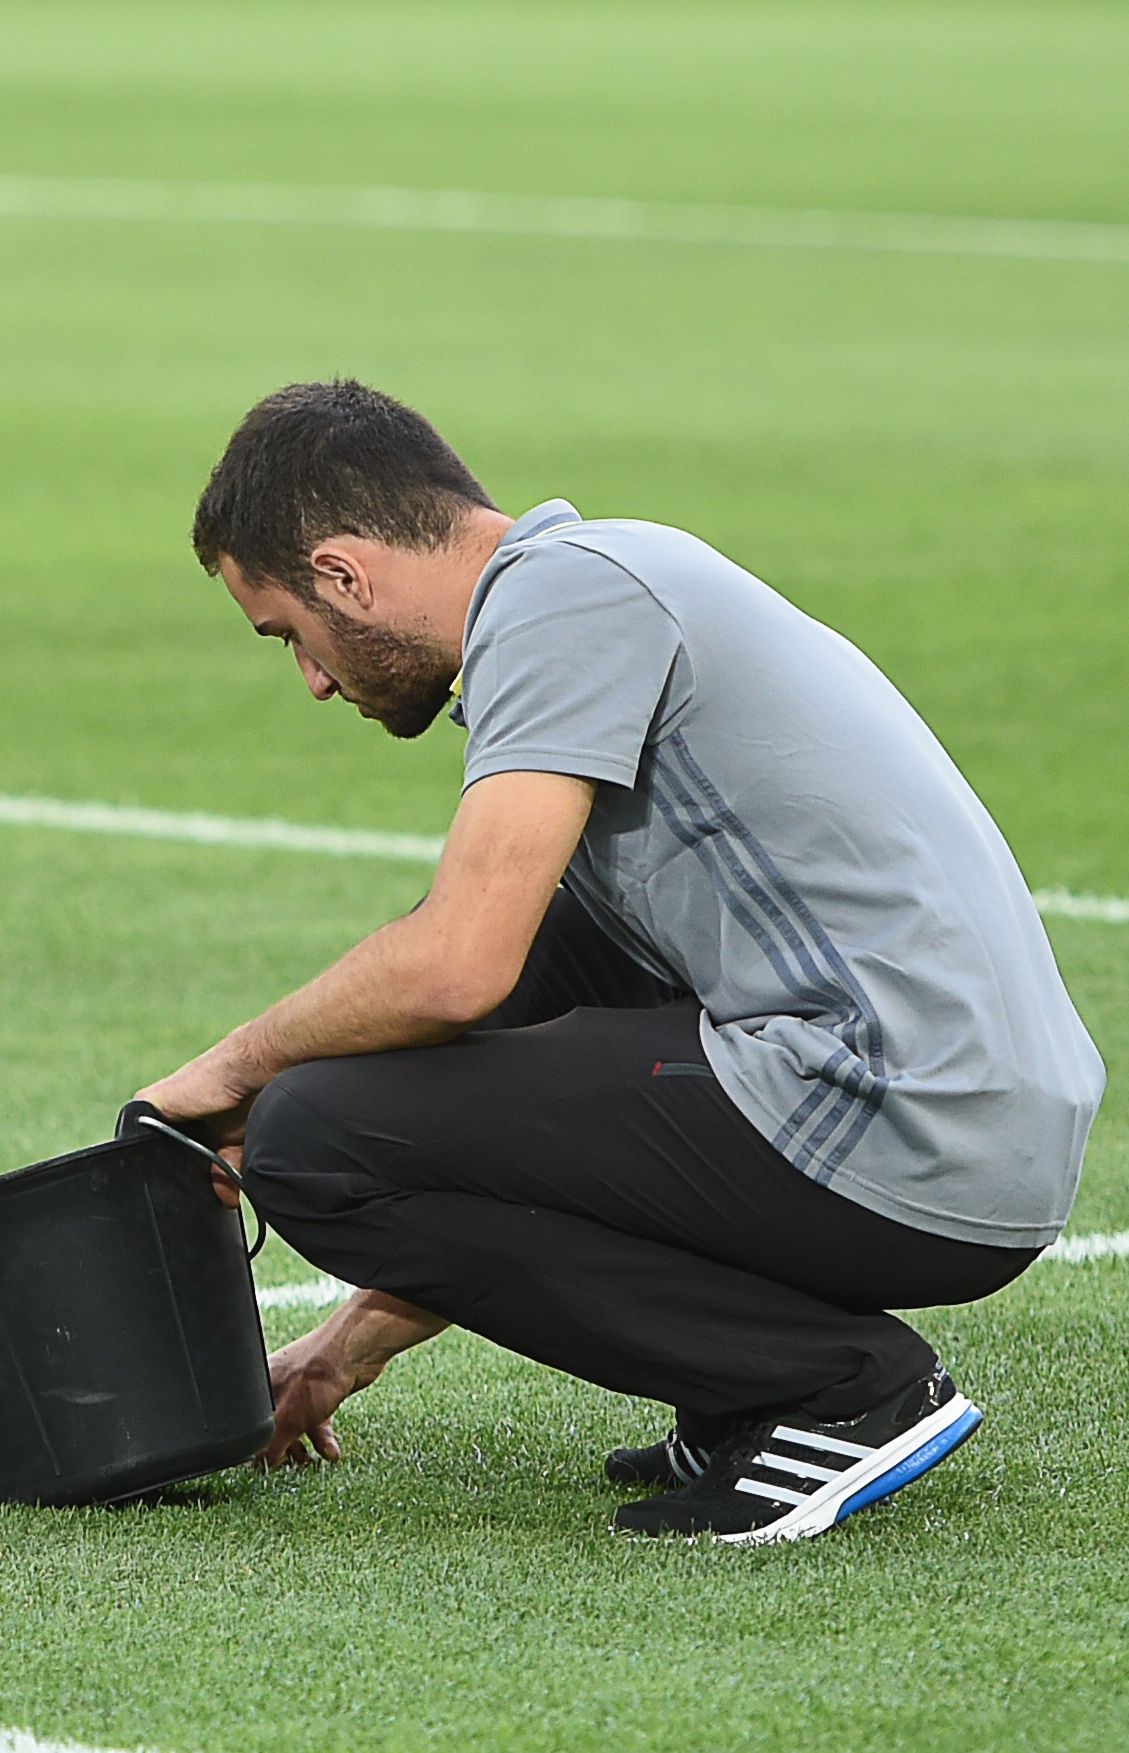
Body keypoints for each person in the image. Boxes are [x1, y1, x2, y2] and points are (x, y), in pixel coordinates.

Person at [138, 380, 1103, 1542]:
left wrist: (227, 1072)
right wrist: (342, 1353)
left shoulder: (561, 602)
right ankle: (752, 1391)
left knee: (308, 1129)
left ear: (343, 574)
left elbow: (453, 964)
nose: (308, 677)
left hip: (911, 1118)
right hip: (964, 1124)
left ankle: (832, 1387)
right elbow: (483, 1057)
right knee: (486, 1012)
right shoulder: (598, 587)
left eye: (287, 632)